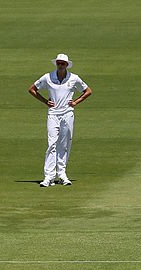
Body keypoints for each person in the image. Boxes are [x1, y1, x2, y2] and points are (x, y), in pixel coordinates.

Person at [28, 53, 92, 187]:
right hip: (53, 114)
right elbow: (32, 89)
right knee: (52, 143)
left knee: (64, 144)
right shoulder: (48, 77)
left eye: (63, 63)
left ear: (67, 65)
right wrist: (45, 101)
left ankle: (62, 174)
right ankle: (48, 177)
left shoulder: (74, 78)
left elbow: (87, 91)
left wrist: (75, 102)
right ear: (56, 64)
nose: (60, 65)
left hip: (67, 114)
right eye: (58, 63)